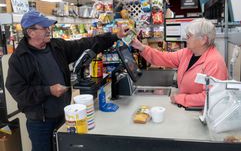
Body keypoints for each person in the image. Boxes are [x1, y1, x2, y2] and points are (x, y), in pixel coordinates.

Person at [5, 10, 127, 151]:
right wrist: (48, 90)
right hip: (40, 122)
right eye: (44, 28)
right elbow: (18, 91)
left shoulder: (57, 46)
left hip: (64, 115)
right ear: (31, 32)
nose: (48, 30)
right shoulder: (19, 58)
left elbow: (86, 43)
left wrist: (114, 36)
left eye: (48, 27)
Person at [131, 18, 228, 108]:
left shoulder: (215, 62)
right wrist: (141, 47)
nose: (186, 38)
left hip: (199, 113)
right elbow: (164, 57)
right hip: (185, 108)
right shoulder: (187, 53)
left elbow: (212, 97)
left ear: (203, 40)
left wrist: (181, 98)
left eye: (189, 36)